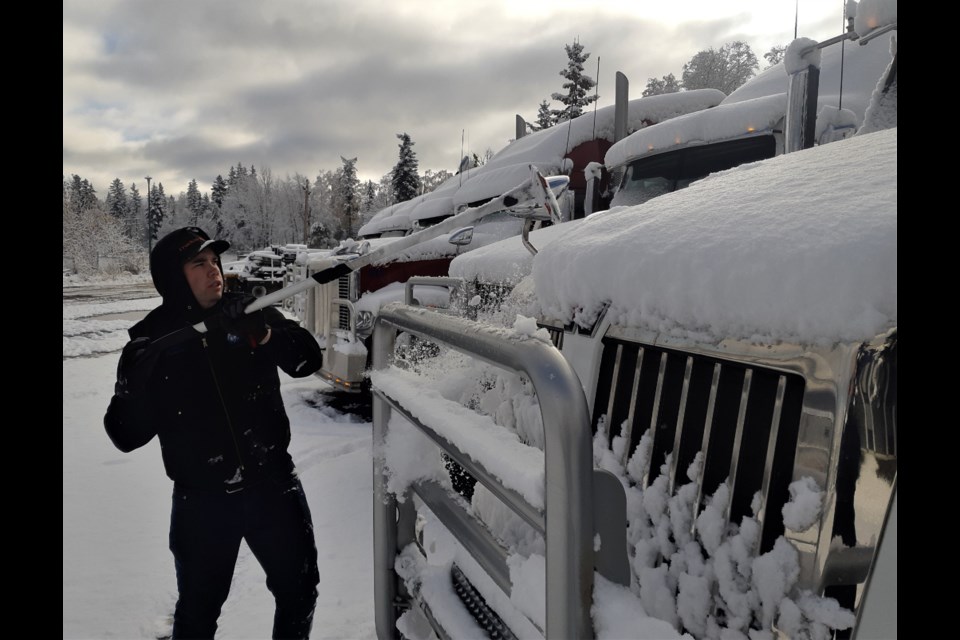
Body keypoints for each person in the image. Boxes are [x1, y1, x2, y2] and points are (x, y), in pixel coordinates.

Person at [104, 226, 323, 639]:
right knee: (197, 615)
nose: (214, 272)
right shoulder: (153, 340)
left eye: (216, 262)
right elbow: (125, 436)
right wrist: (128, 389)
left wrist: (267, 335)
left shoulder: (251, 311)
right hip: (202, 502)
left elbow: (306, 361)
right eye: (199, 264)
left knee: (299, 591)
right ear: (173, 277)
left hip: (272, 485)